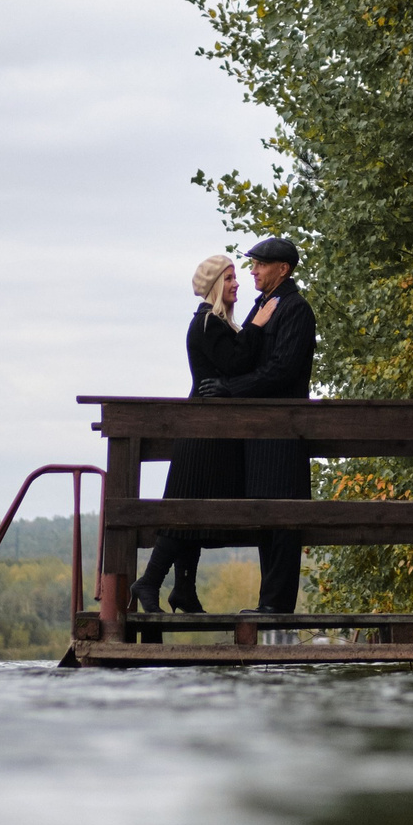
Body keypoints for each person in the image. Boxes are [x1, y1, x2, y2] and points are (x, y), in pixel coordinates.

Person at [132, 254, 273, 619]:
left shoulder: (218, 324)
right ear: (214, 286)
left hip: (210, 429)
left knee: (194, 510)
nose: (237, 283)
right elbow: (236, 362)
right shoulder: (208, 323)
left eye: (235, 277)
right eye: (229, 278)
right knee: (187, 509)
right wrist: (257, 325)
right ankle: (149, 581)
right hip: (202, 431)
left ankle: (184, 589)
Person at [213, 235, 316, 614]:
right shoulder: (262, 305)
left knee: (284, 517)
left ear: (282, 269)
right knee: (264, 515)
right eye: (252, 264)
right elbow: (246, 355)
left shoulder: (296, 309)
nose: (252, 271)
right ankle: (268, 606)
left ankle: (276, 607)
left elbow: (282, 369)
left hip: (284, 429)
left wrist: (231, 389)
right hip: (259, 430)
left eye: (260, 264)